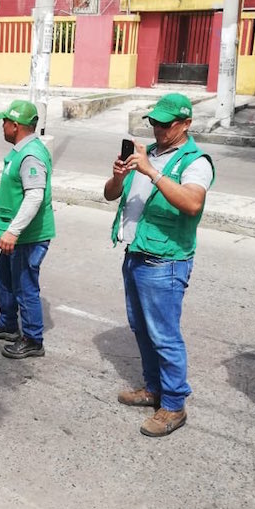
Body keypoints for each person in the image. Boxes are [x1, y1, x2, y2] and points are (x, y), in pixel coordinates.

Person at [104, 93, 214, 437]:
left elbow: (192, 203)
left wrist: (152, 172)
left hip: (165, 260)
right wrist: (120, 177)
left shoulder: (196, 162)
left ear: (185, 124)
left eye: (166, 124)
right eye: (154, 122)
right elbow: (110, 195)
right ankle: (153, 388)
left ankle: (174, 404)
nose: (158, 129)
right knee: (141, 328)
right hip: (136, 252)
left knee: (165, 336)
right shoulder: (146, 154)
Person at [0, 100, 55, 359]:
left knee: (24, 286)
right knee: (3, 275)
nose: (2, 126)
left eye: (4, 122)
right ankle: (9, 323)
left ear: (15, 125)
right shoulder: (21, 151)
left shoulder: (31, 154)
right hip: (18, 235)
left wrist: (13, 231)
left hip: (28, 237)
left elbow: (34, 196)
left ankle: (33, 339)